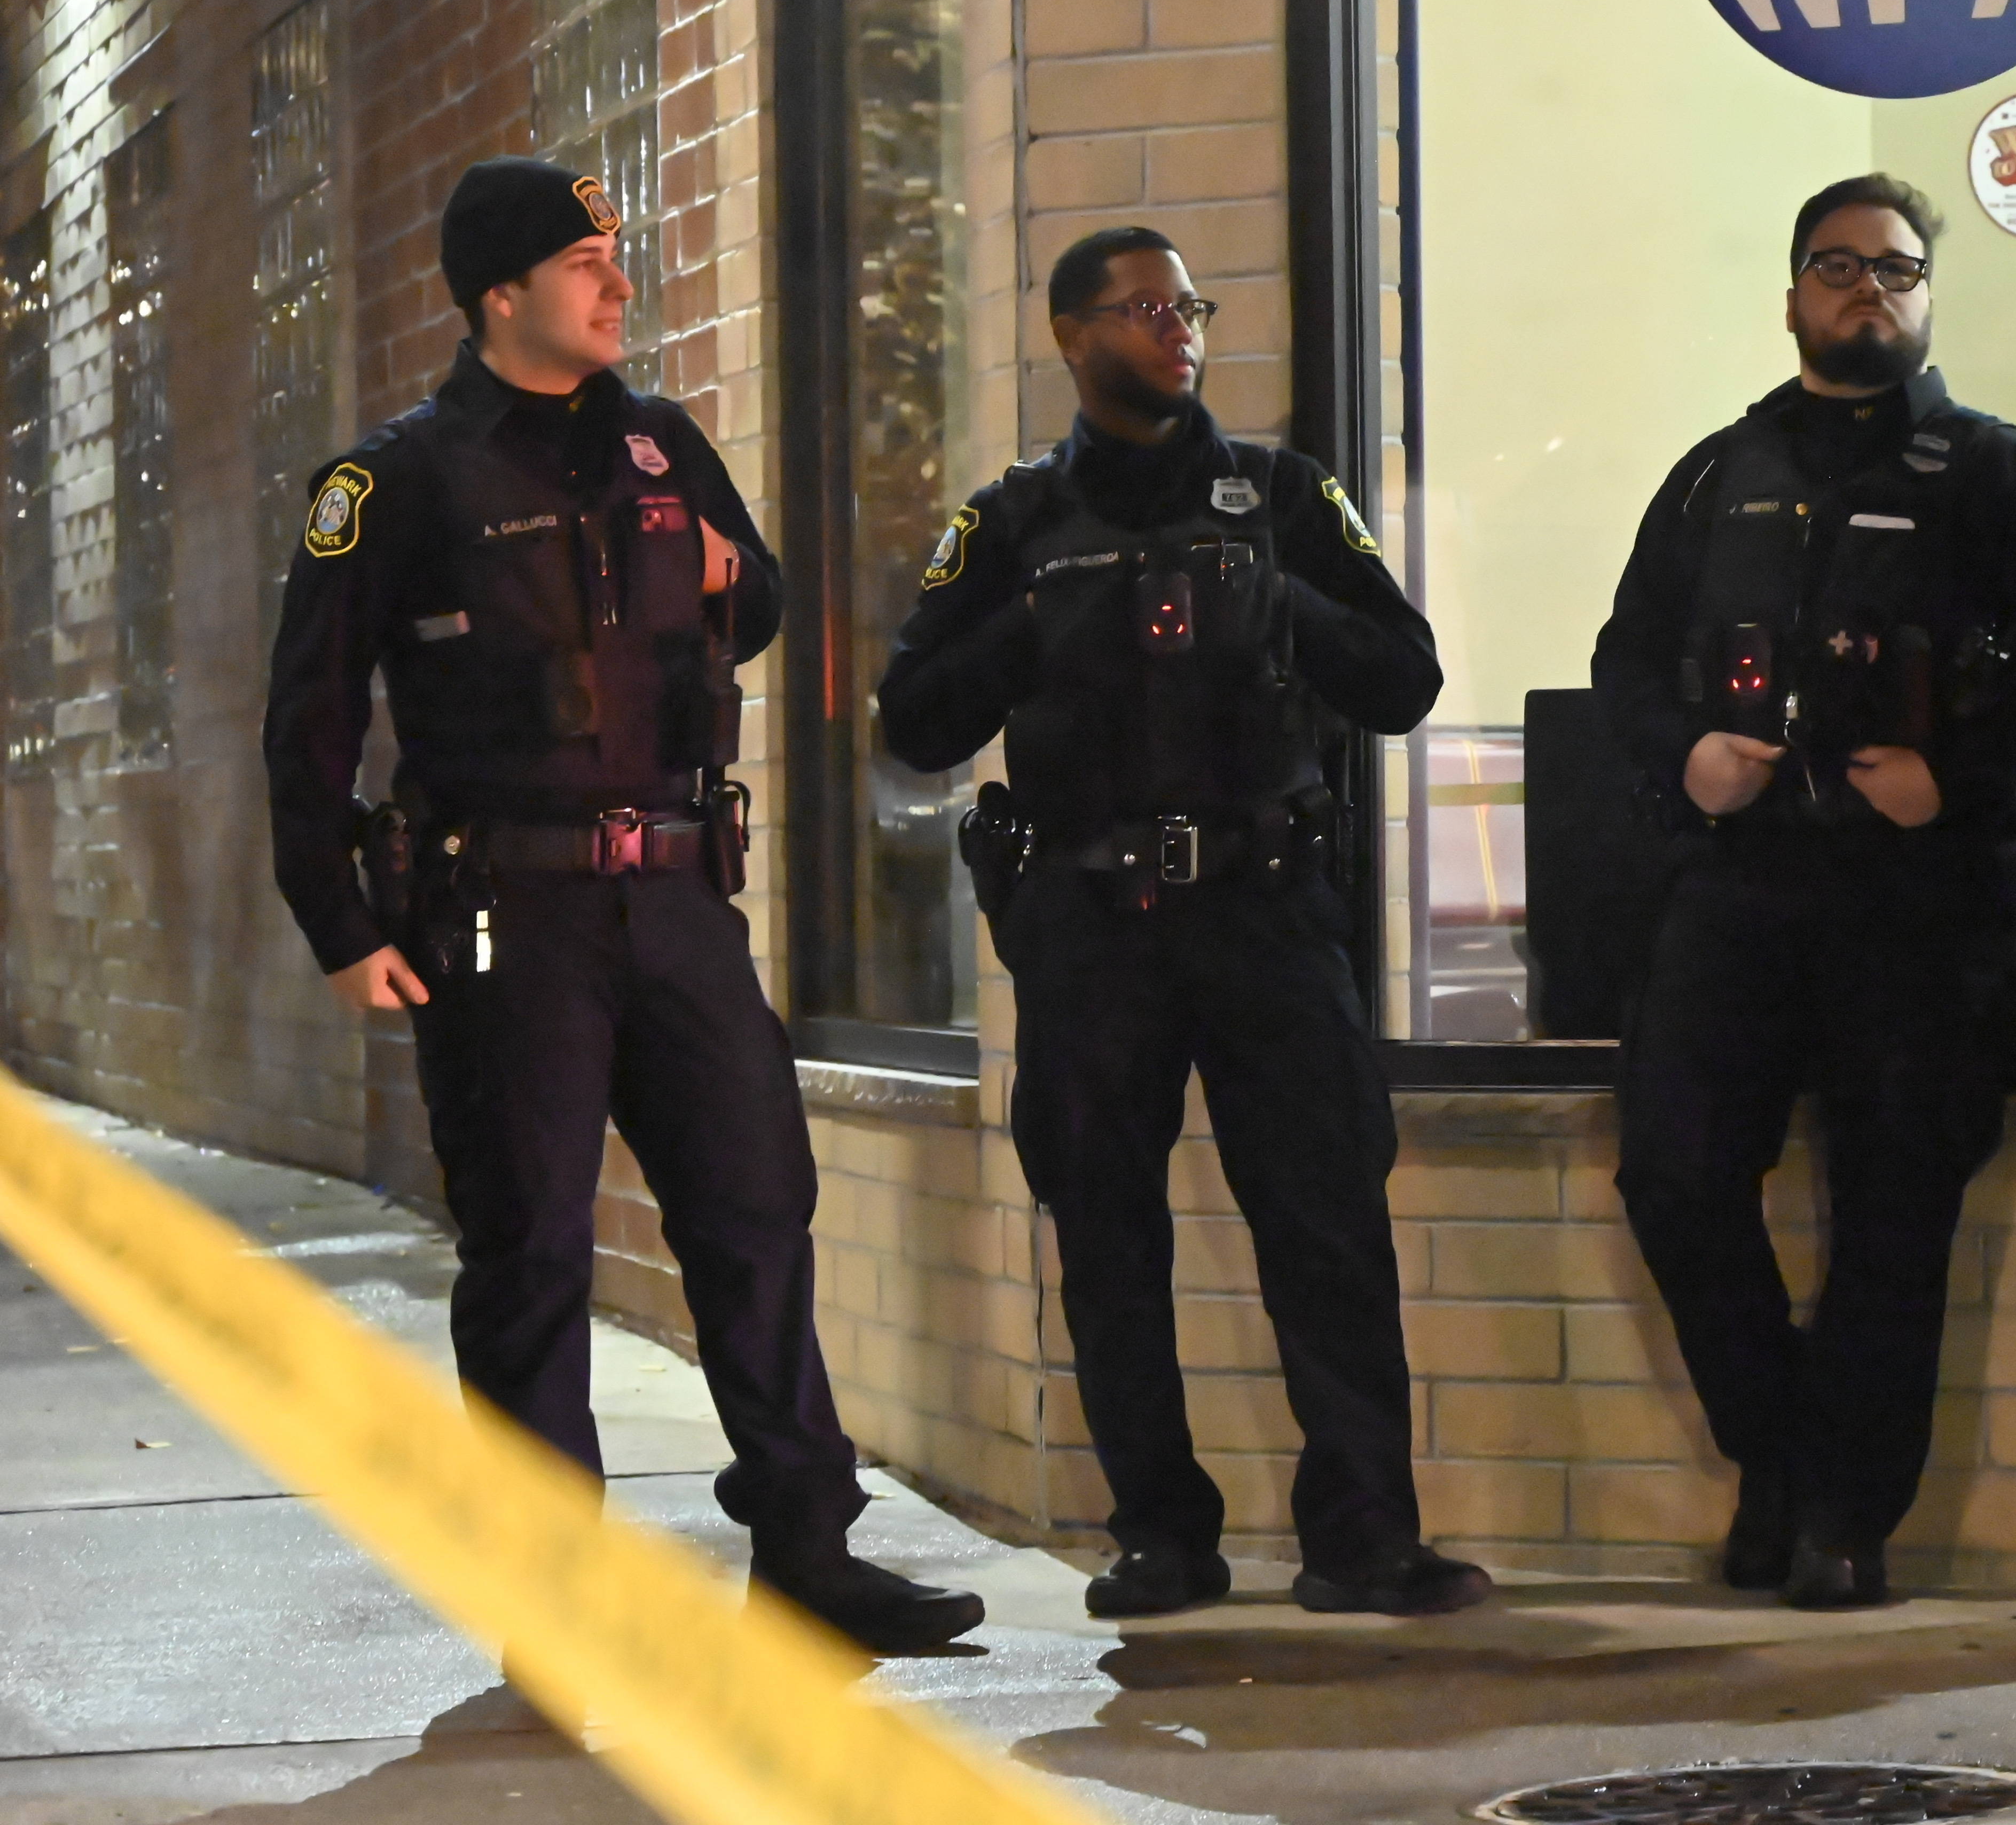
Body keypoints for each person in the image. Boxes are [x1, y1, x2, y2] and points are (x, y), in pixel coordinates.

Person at [262, 158, 982, 1653]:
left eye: (616, 256)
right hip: (505, 911)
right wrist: (342, 921)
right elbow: (308, 719)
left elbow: (759, 601)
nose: (618, 284)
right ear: (500, 295)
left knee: (757, 1210)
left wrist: (725, 572)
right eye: (586, 264)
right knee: (530, 1245)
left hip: (676, 897)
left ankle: (809, 1551)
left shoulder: (662, 443)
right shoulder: (392, 482)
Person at [875, 226, 1488, 1620]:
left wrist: (1276, 602)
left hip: (1268, 911)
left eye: (1190, 306)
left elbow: (1405, 679)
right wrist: (1036, 626)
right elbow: (914, 719)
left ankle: (1365, 1537)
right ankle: (1160, 1535)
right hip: (1093, 923)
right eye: (1147, 309)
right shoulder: (1014, 520)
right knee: (1106, 1234)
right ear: (1072, 335)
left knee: (1328, 1223)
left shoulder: (1281, 497)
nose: (1181, 329)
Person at [1591, 175, 2016, 1610]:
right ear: (1793, 293)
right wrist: (1690, 759)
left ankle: (1842, 1519)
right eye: (1841, 266)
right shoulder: (1714, 475)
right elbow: (1626, 664)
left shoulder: (1999, 477)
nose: (1871, 289)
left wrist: (1957, 782)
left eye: (1898, 269)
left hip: (1920, 894)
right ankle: (1784, 1460)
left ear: (1929, 295)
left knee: (1894, 1209)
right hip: (1741, 879)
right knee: (1674, 1175)